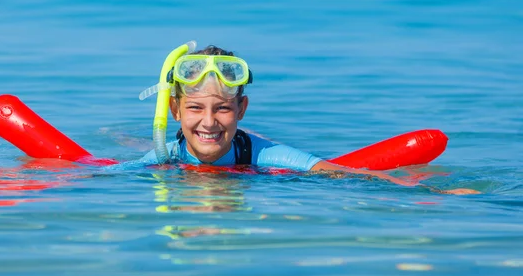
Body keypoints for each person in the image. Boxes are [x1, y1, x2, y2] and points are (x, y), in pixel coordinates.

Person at [138, 42, 478, 194]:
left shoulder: (260, 154)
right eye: (196, 108)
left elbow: (339, 173)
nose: (209, 122)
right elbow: (107, 172)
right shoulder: (164, 155)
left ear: (241, 110)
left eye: (223, 109)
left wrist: (430, 191)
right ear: (175, 111)